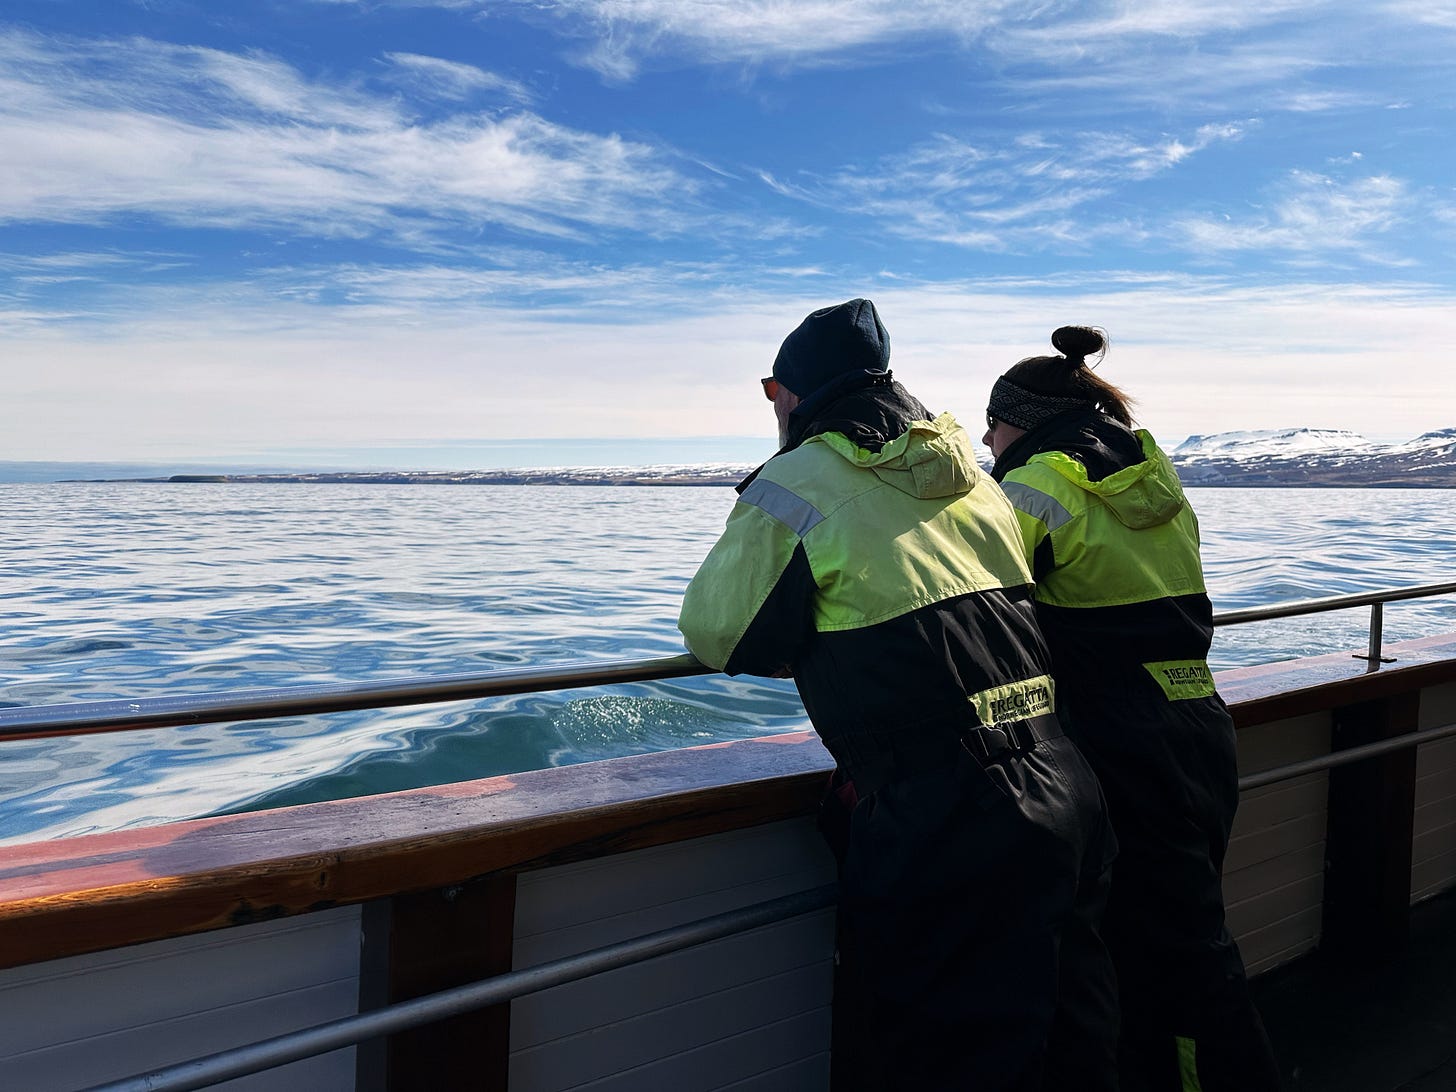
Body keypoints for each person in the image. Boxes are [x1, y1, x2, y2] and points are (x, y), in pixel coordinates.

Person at [678, 299, 1119, 1091]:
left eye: (771, 389)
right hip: (1066, 784)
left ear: (794, 393)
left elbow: (719, 632)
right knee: (1069, 1033)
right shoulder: (974, 480)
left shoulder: (798, 481)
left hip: (946, 818)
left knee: (939, 1054)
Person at [983, 326, 1281, 1092]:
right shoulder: (1156, 476)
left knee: (1160, 950)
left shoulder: (1037, 484)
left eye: (994, 420)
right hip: (1195, 720)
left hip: (1117, 734)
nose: (986, 436)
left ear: (1024, 418)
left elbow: (979, 604)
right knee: (1187, 932)